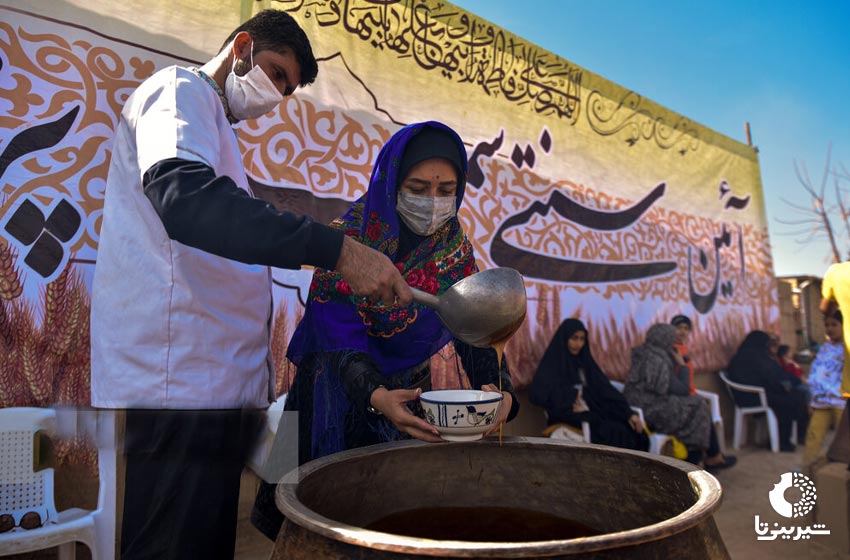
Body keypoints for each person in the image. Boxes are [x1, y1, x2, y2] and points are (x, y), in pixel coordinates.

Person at [89, 10, 413, 560]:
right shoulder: (178, 92)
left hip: (210, 392)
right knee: (172, 545)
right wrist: (338, 252)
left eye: (286, 88)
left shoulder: (218, 132)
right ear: (241, 46)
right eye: (275, 73)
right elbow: (184, 200)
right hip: (179, 388)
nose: (276, 94)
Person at [250, 120, 520, 541]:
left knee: (396, 518)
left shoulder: (453, 249)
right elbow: (335, 330)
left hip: (409, 398)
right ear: (391, 181)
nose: (433, 202)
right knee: (314, 518)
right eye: (418, 187)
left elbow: (472, 323)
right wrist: (374, 395)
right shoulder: (351, 240)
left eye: (446, 191)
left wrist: (498, 388)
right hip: (330, 390)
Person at [625, 324, 735, 471]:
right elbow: (683, 389)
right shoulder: (658, 359)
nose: (673, 343)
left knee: (696, 405)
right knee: (698, 407)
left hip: (640, 407)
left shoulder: (644, 353)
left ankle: (707, 457)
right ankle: (696, 461)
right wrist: (681, 364)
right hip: (650, 410)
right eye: (671, 339)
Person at [530, 318, 649, 451]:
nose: (578, 344)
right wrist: (572, 397)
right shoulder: (553, 363)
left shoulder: (584, 362)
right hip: (567, 414)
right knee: (612, 431)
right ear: (565, 338)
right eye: (574, 338)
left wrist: (628, 413)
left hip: (592, 411)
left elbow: (605, 389)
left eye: (582, 339)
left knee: (635, 432)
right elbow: (538, 394)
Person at [726, 330, 810, 452]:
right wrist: (789, 384)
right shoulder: (752, 357)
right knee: (791, 400)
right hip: (753, 397)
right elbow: (769, 377)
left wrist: (791, 382)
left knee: (797, 395)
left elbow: (775, 375)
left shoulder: (753, 355)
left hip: (756, 394)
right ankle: (783, 441)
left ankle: (796, 436)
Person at [802, 310, 847, 471]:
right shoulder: (825, 347)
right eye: (827, 325)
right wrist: (812, 398)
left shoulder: (847, 347)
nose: (829, 328)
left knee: (845, 439)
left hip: (841, 402)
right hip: (821, 401)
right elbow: (816, 371)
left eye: (834, 324)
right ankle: (808, 470)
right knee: (813, 436)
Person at [671, 314, 697, 395]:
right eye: (679, 328)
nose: (683, 332)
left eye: (686, 328)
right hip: (681, 394)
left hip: (690, 392)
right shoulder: (672, 348)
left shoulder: (683, 348)